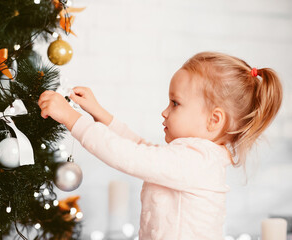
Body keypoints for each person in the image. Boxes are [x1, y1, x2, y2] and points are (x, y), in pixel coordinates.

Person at [38, 52, 283, 240]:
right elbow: (142, 149)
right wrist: (100, 114)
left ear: (214, 120)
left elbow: (132, 156)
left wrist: (71, 118)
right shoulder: (192, 155)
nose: (164, 112)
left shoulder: (198, 161)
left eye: (175, 103)